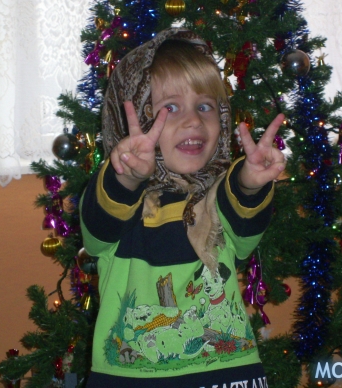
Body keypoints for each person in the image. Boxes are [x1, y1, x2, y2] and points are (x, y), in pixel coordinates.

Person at [80, 28, 285, 388]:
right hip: (132, 380)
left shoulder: (221, 201)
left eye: (205, 106)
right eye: (170, 108)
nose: (193, 121)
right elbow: (98, 231)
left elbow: (245, 224)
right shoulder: (122, 202)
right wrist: (127, 177)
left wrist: (250, 183)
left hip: (229, 374)